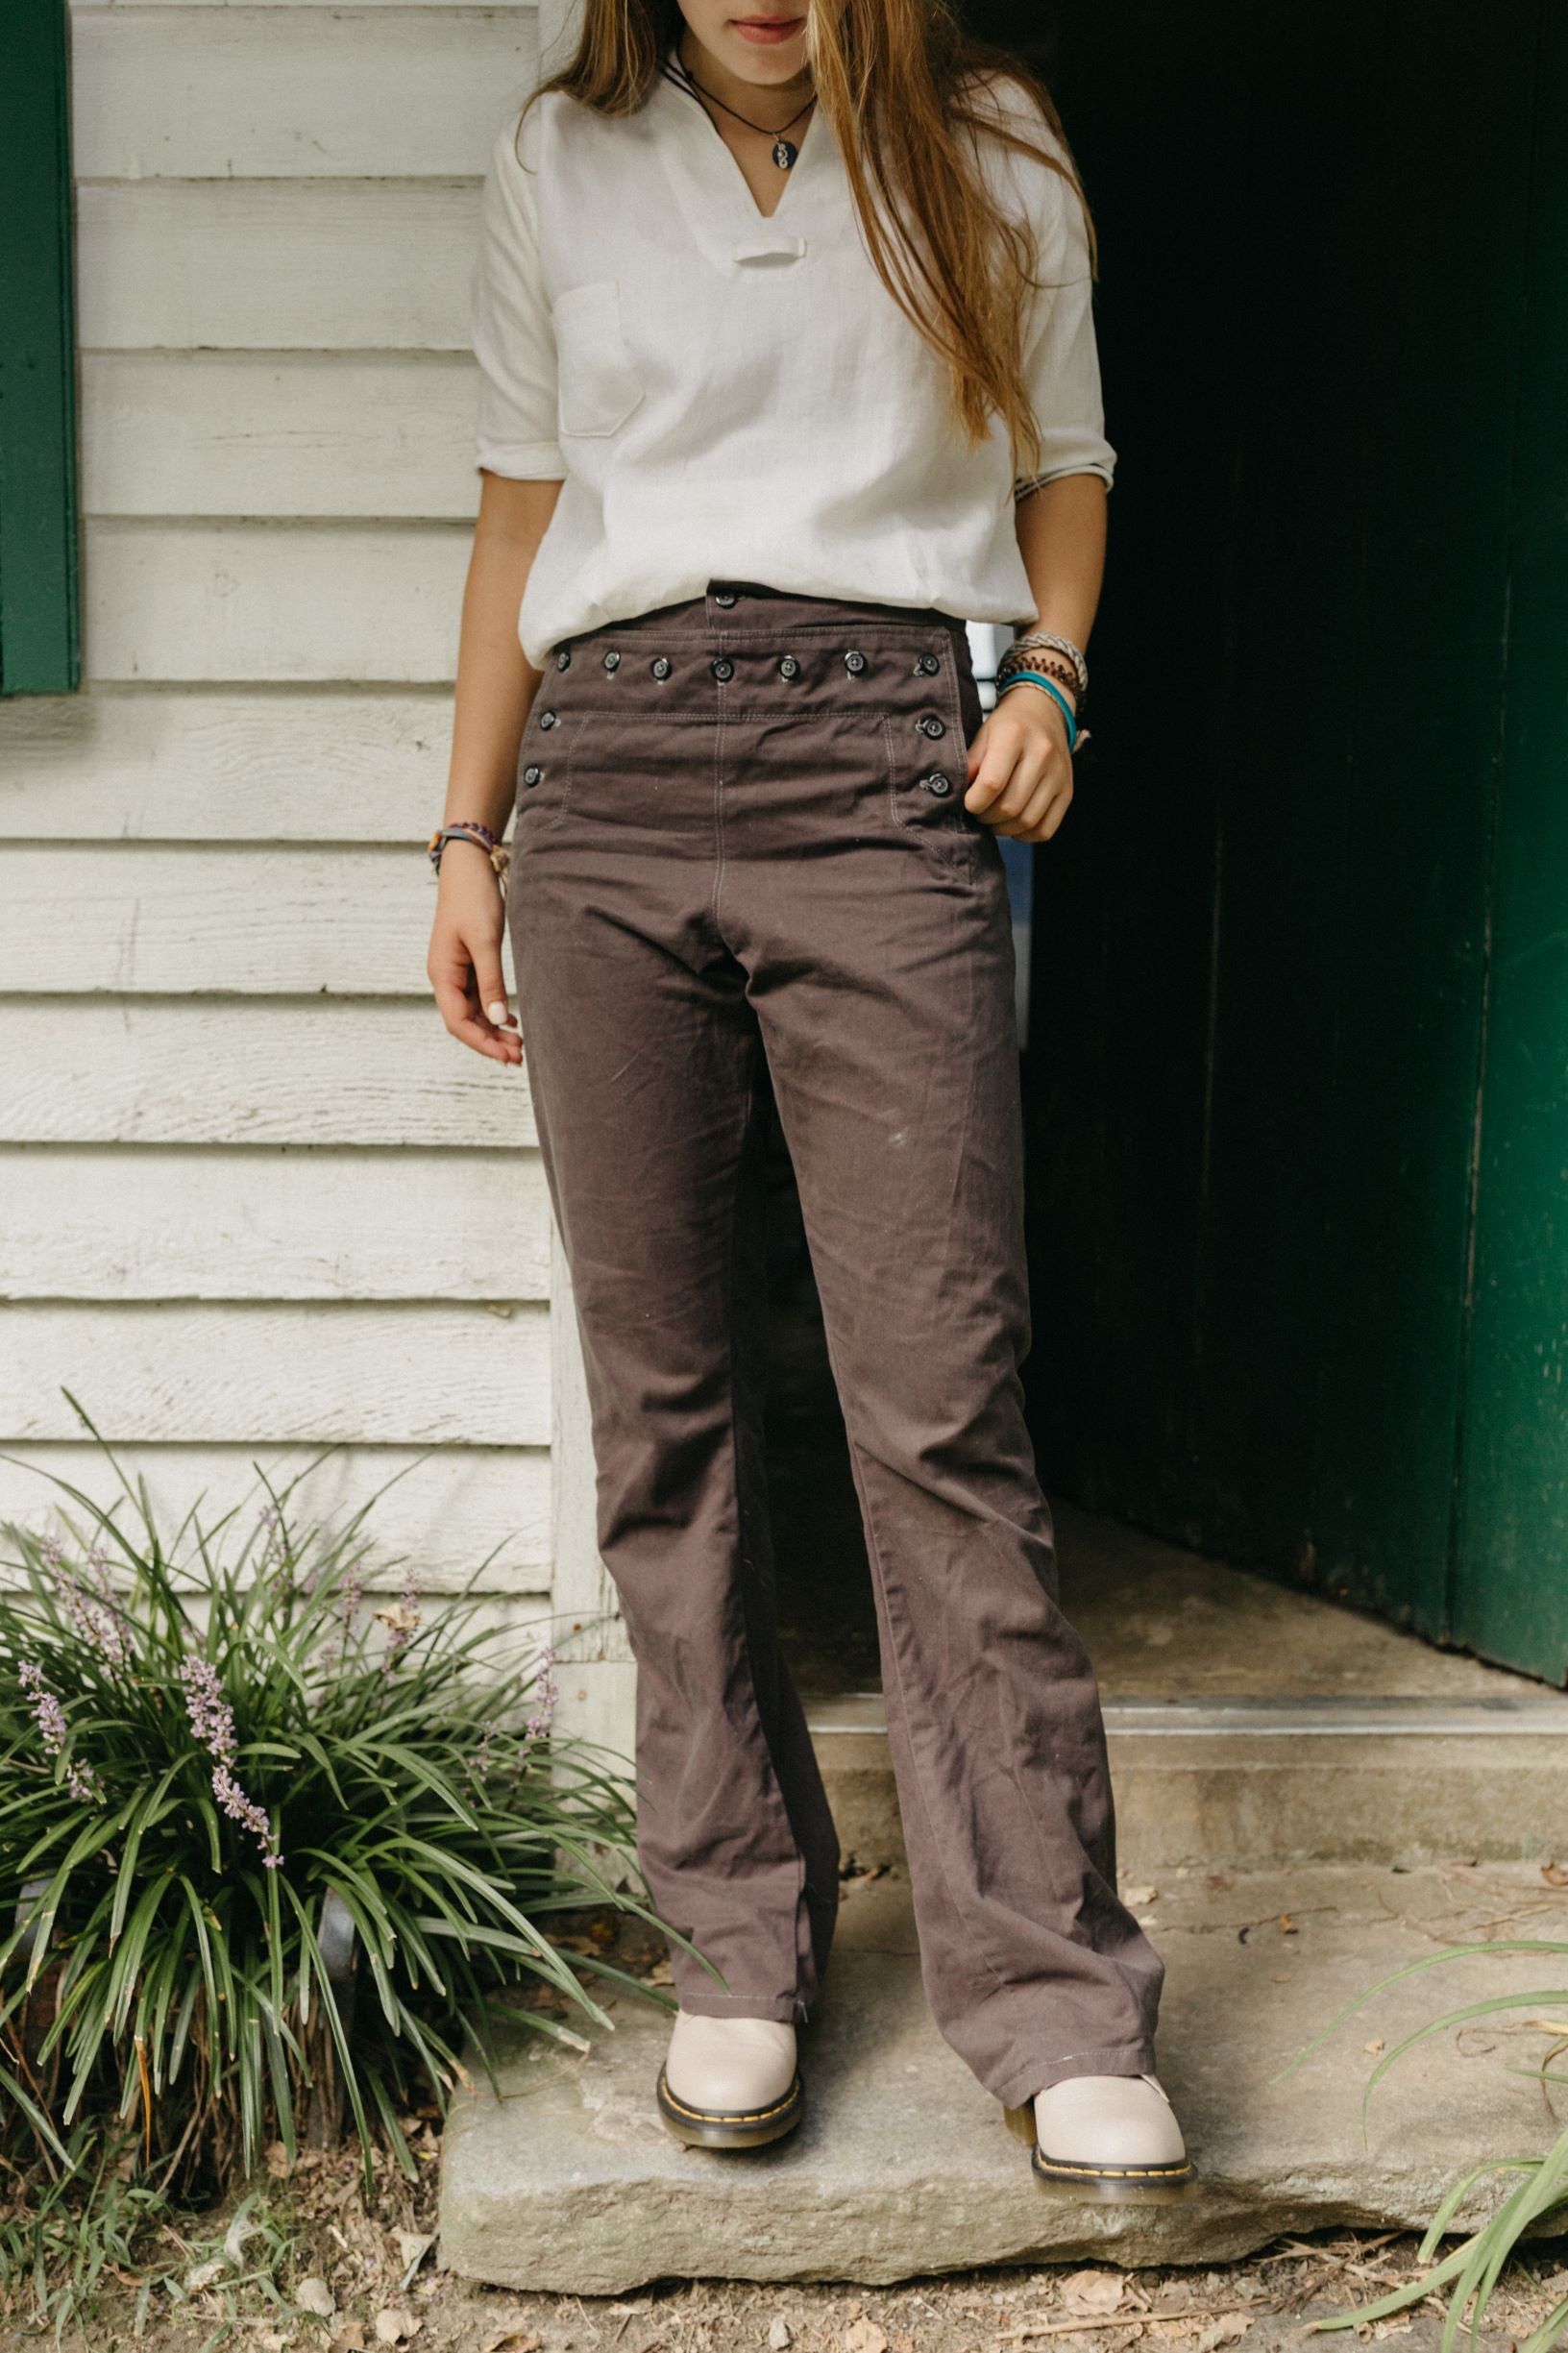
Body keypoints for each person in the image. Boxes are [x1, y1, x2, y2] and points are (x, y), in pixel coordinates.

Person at [426, 0, 1194, 2203]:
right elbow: (518, 519)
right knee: (664, 1399)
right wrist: (463, 839)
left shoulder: (990, 149)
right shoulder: (562, 163)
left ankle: (1052, 1994)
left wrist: (1048, 670)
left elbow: (1071, 464)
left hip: (889, 763)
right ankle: (738, 1941)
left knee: (937, 1395)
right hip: (615, 766)